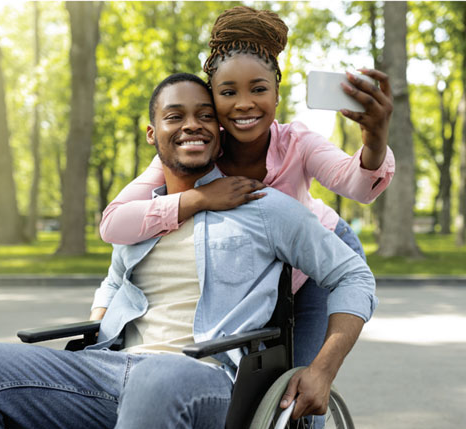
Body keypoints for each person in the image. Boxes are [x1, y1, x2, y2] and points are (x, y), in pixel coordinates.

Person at [0, 73, 377, 429]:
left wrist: (322, 369)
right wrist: (94, 334)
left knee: (158, 377)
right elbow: (113, 284)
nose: (192, 126)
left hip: (204, 381)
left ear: (220, 131)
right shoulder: (142, 216)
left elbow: (353, 275)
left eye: (205, 116)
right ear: (152, 133)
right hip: (112, 372)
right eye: (175, 116)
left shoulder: (263, 208)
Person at [97, 6, 394, 373]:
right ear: (213, 101)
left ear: (277, 95)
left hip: (314, 260)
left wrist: (375, 140)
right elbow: (114, 224)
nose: (244, 104)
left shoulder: (297, 143)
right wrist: (199, 198)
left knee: (298, 384)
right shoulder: (197, 147)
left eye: (258, 90)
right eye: (228, 92)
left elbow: (358, 186)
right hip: (256, 269)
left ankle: (306, 425)